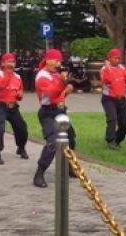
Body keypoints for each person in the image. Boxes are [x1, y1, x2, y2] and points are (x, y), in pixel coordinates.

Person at [33, 49, 77, 188]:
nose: (58, 64)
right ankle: (39, 173)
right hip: (48, 113)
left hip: (60, 111)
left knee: (70, 139)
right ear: (47, 59)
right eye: (55, 60)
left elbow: (60, 95)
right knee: (52, 143)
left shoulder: (56, 75)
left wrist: (68, 89)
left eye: (59, 61)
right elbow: (52, 93)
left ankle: (70, 166)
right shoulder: (42, 76)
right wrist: (63, 84)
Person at [0, 53, 28, 165]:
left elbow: (20, 91)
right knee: (0, 128)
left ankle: (21, 147)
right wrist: (8, 74)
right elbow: (1, 85)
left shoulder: (18, 77)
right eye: (9, 62)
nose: (11, 64)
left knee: (22, 127)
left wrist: (19, 95)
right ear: (3, 63)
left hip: (13, 107)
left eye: (13, 62)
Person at [100, 49, 126, 150]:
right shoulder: (104, 69)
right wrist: (109, 68)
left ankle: (117, 140)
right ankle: (110, 140)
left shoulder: (122, 68)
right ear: (109, 58)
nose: (118, 60)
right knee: (112, 119)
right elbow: (108, 80)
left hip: (121, 99)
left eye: (119, 58)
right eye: (115, 58)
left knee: (125, 123)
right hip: (109, 99)